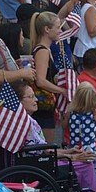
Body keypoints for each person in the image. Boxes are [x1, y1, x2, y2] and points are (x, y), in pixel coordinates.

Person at [31, 12, 68, 143]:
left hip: (47, 107)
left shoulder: (47, 50)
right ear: (47, 29)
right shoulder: (43, 51)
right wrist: (61, 90)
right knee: (47, 148)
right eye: (57, 27)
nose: (60, 31)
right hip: (43, 108)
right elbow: (40, 81)